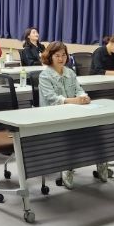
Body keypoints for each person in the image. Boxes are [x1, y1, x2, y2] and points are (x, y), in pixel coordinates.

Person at [38, 41, 91, 189]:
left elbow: (79, 89)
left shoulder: (70, 72)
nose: (61, 58)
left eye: (64, 55)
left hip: (72, 112)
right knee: (70, 134)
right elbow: (52, 99)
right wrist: (75, 101)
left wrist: (84, 96)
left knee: (95, 128)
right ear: (50, 57)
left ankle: (101, 161)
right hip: (52, 116)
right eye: (57, 55)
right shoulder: (44, 76)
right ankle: (67, 167)